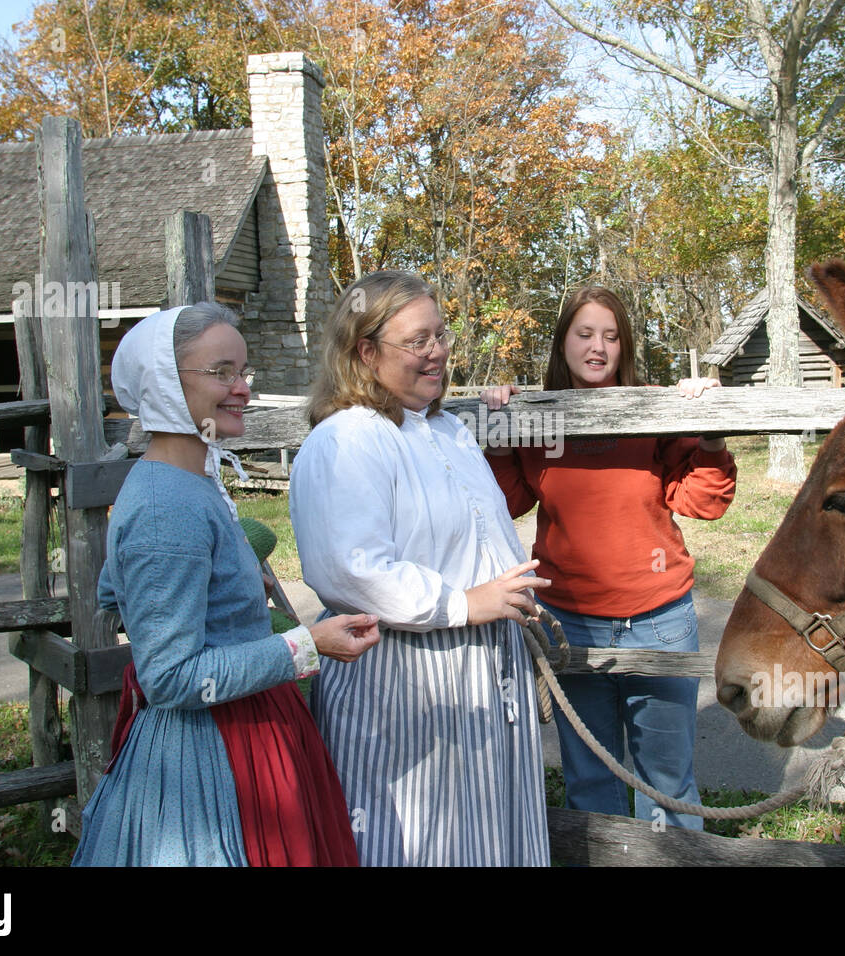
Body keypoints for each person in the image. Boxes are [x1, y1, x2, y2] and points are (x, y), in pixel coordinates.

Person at [72, 302, 380, 867]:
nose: (242, 389)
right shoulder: (166, 502)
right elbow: (168, 677)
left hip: (250, 726)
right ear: (166, 382)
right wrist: (308, 645)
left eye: (244, 372)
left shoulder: (189, 480)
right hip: (208, 757)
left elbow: (118, 592)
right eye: (221, 372)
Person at [289, 271, 552, 866]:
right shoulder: (346, 441)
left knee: (487, 828)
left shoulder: (447, 429)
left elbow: (484, 533)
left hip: (481, 666)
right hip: (401, 675)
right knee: (411, 834)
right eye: (417, 340)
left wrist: (509, 593)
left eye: (440, 335)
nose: (436, 352)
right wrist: (462, 604)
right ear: (365, 351)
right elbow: (350, 569)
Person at [480, 286, 736, 830]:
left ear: (624, 346)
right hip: (570, 623)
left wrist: (708, 423)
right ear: (563, 341)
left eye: (611, 336)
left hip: (659, 618)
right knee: (591, 783)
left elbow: (702, 501)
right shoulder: (539, 415)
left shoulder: (654, 408)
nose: (598, 347)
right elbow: (506, 503)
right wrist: (500, 430)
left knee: (667, 784)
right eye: (585, 333)